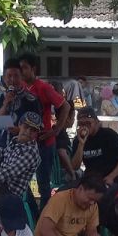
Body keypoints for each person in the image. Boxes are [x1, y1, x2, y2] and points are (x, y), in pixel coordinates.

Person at [18, 54, 71, 212]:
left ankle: (44, 217)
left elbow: (65, 106)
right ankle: (33, 213)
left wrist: (55, 131)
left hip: (44, 143)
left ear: (33, 69)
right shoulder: (19, 88)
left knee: (43, 183)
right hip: (24, 143)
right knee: (21, 180)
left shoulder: (44, 87)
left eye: (25, 68)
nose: (22, 72)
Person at [33, 176, 114, 236]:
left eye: (95, 201)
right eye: (90, 198)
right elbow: (45, 230)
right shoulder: (60, 199)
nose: (91, 203)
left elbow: (91, 232)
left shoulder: (93, 206)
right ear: (80, 189)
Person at [70, 106, 118, 184]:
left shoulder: (108, 135)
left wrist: (111, 177)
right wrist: (81, 144)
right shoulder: (78, 140)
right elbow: (75, 167)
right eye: (81, 124)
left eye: (88, 123)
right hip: (90, 180)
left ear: (96, 122)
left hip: (110, 178)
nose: (85, 126)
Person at [0, 60, 42, 149]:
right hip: (0, 148)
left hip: (23, 151)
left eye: (16, 76)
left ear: (21, 77)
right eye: (9, 76)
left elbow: (37, 127)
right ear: (4, 78)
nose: (12, 80)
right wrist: (5, 105)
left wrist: (20, 130)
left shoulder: (31, 99)